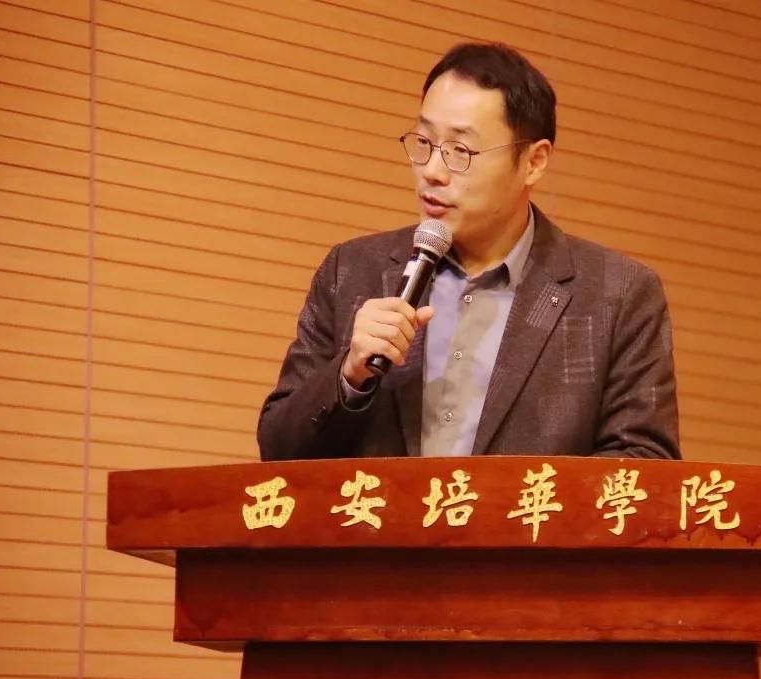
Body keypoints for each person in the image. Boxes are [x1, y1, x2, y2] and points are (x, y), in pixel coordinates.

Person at [257, 42, 680, 460]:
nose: (432, 172)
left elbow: (643, 464)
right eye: (424, 142)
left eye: (460, 151)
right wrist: (348, 375)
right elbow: (277, 449)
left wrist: (507, 501)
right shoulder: (352, 271)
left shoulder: (617, 295)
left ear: (533, 162)